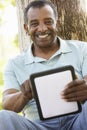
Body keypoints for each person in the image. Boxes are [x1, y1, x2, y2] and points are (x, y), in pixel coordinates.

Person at [0, 0, 87, 129]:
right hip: (38, 126)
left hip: (78, 121)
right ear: (26, 28)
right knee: (3, 117)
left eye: (48, 22)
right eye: (34, 24)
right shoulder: (14, 64)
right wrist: (24, 95)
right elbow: (7, 104)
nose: (42, 28)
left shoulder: (82, 49)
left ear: (56, 23)